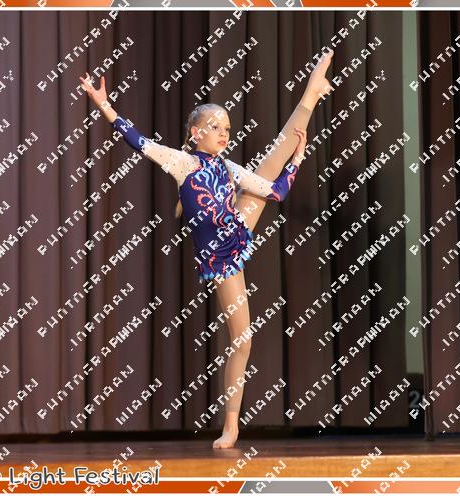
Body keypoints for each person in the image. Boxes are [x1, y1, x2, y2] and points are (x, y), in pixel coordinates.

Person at [79, 50, 333, 448]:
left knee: (272, 162)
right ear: (196, 133)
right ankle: (231, 426)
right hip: (220, 257)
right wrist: (105, 106)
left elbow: (277, 192)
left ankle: (311, 94)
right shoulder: (183, 163)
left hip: (238, 226)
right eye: (215, 127)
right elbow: (138, 142)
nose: (224, 133)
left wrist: (297, 159)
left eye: (227, 128)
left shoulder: (228, 168)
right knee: (243, 339)